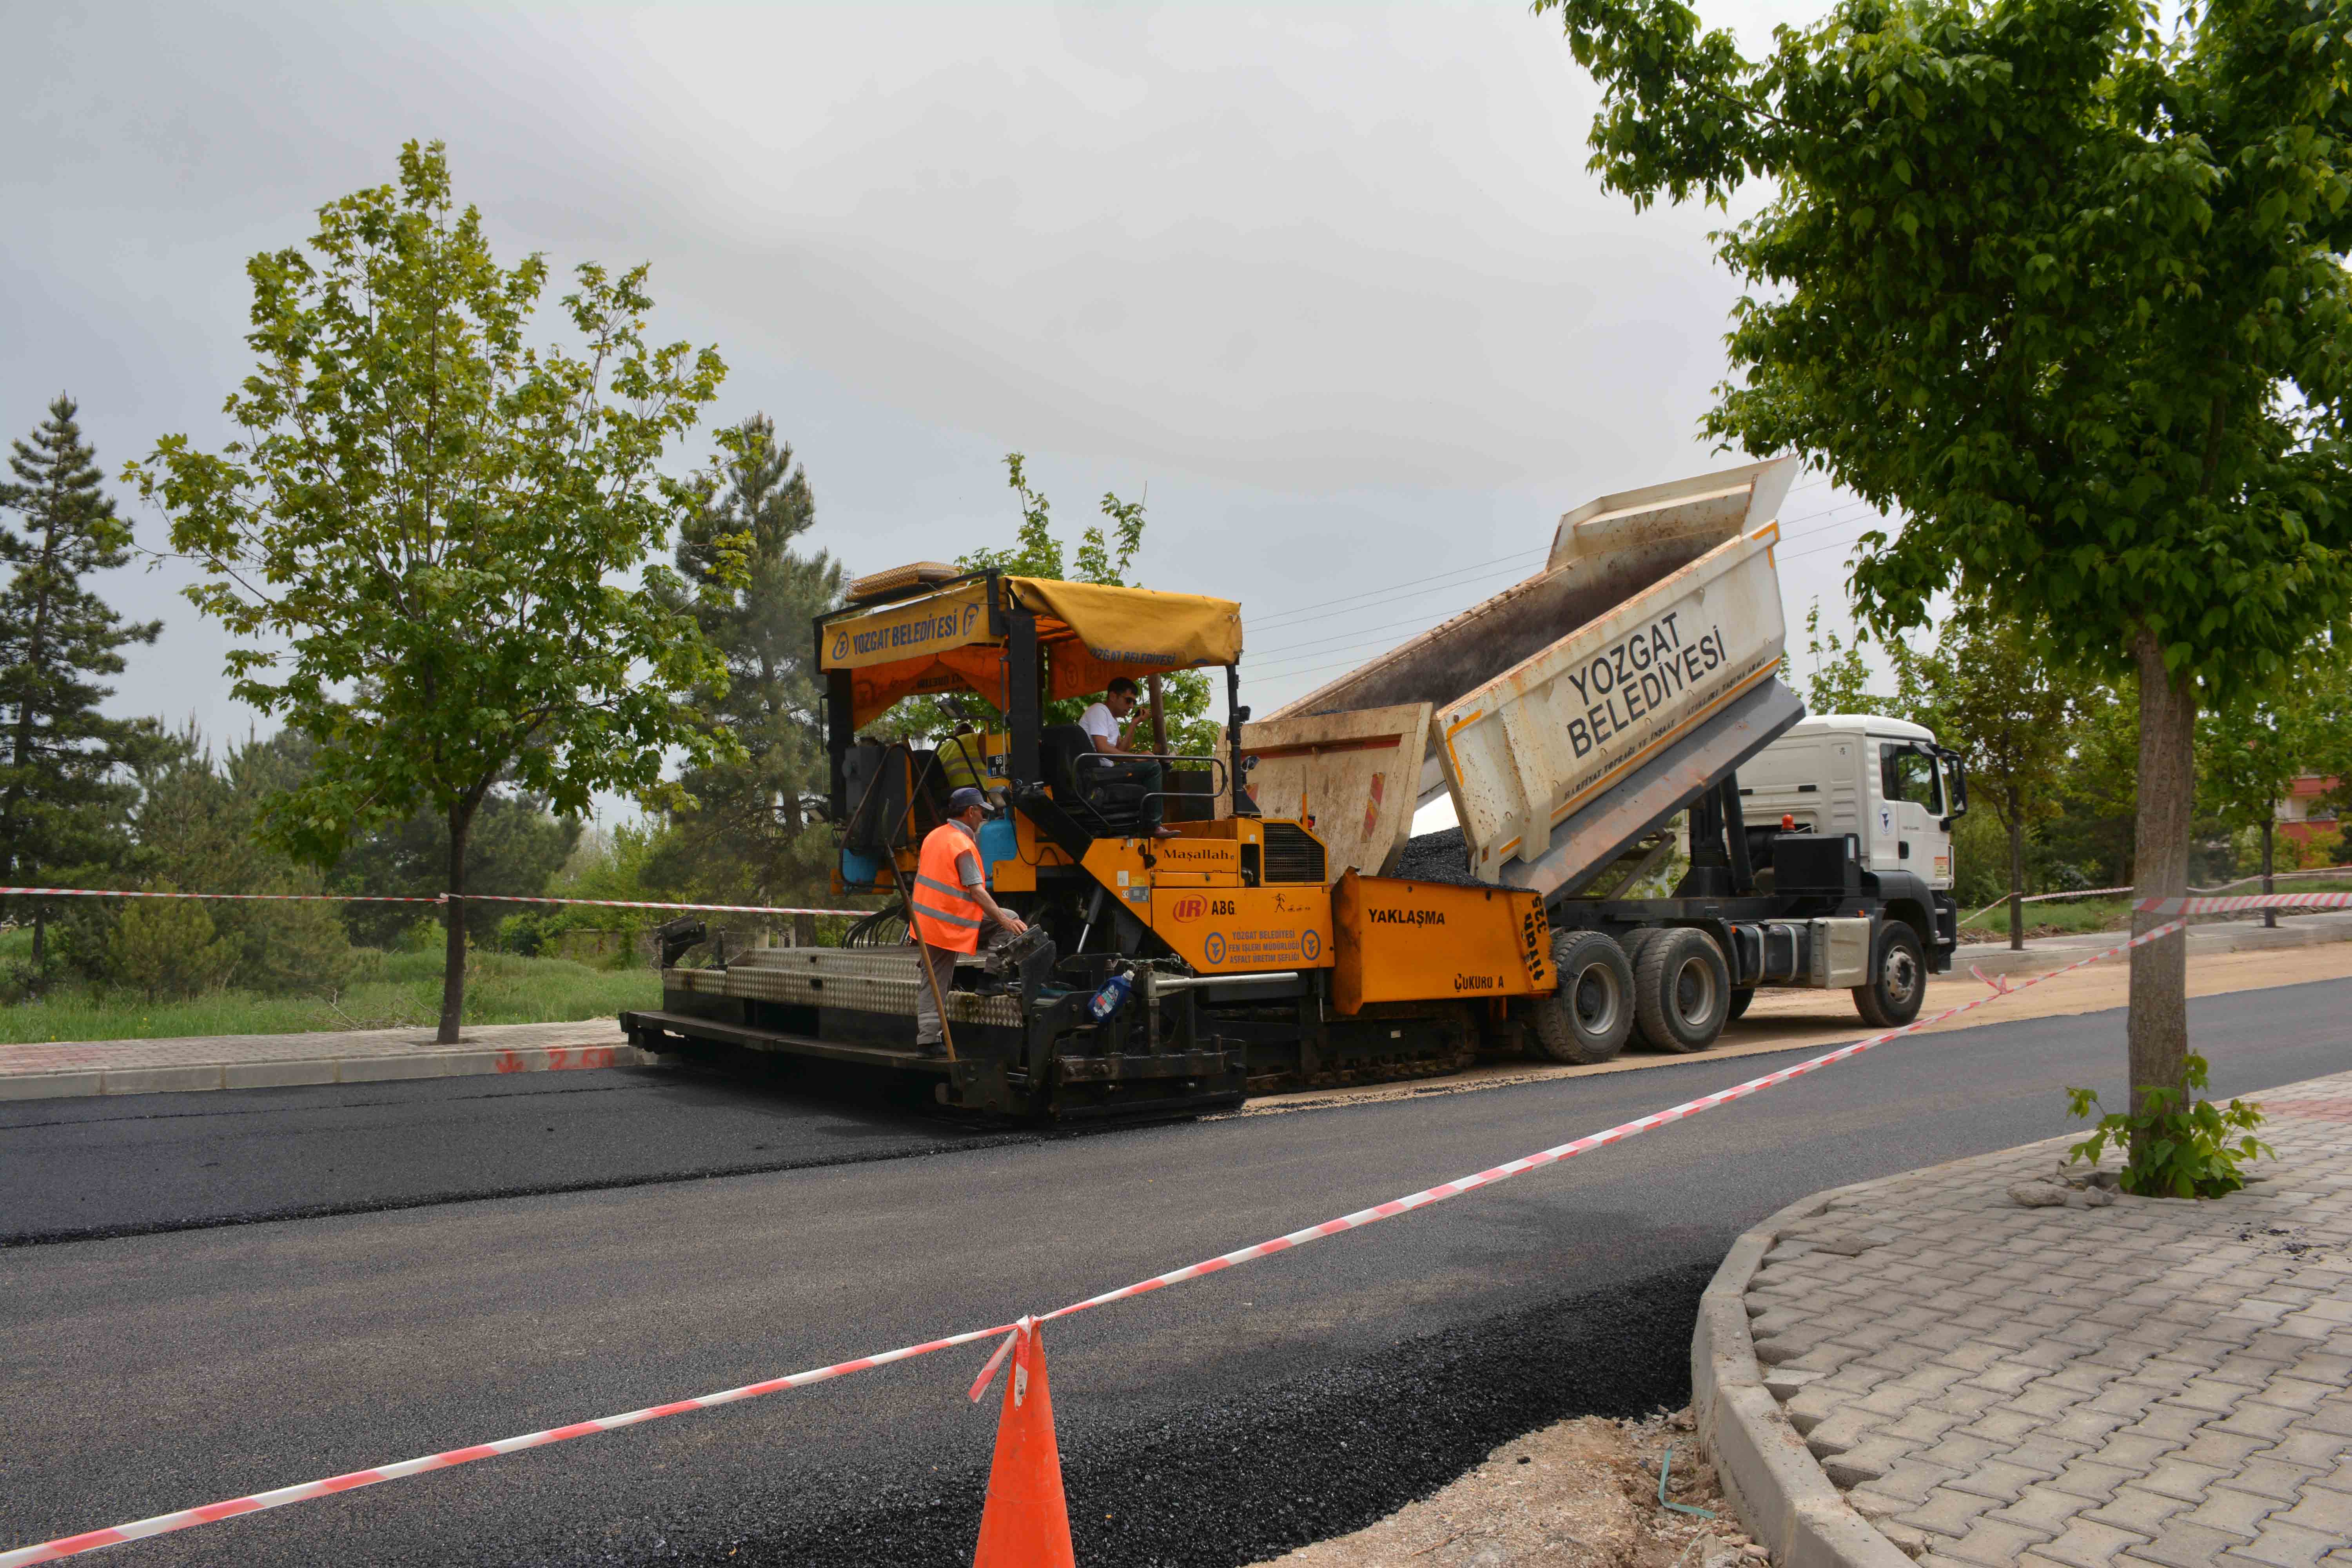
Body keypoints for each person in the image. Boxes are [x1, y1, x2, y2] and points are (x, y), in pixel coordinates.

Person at [909, 786, 1027, 1055]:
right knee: (1009, 919)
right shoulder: (962, 844)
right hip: (950, 919)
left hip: (927, 920)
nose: (983, 819)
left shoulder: (935, 837)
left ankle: (928, 1039)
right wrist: (1001, 919)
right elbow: (976, 890)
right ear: (971, 812)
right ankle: (990, 979)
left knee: (934, 980)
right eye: (981, 813)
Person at [1076, 677, 1177, 838]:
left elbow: (1119, 752)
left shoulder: (1112, 720)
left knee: (1151, 767)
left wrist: (1134, 723)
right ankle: (1153, 826)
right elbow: (1103, 748)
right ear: (1113, 696)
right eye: (1128, 700)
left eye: (1133, 703)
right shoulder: (1099, 710)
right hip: (1094, 773)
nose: (1131, 706)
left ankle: (1142, 822)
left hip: (1105, 772)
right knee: (1152, 767)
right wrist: (1137, 758)